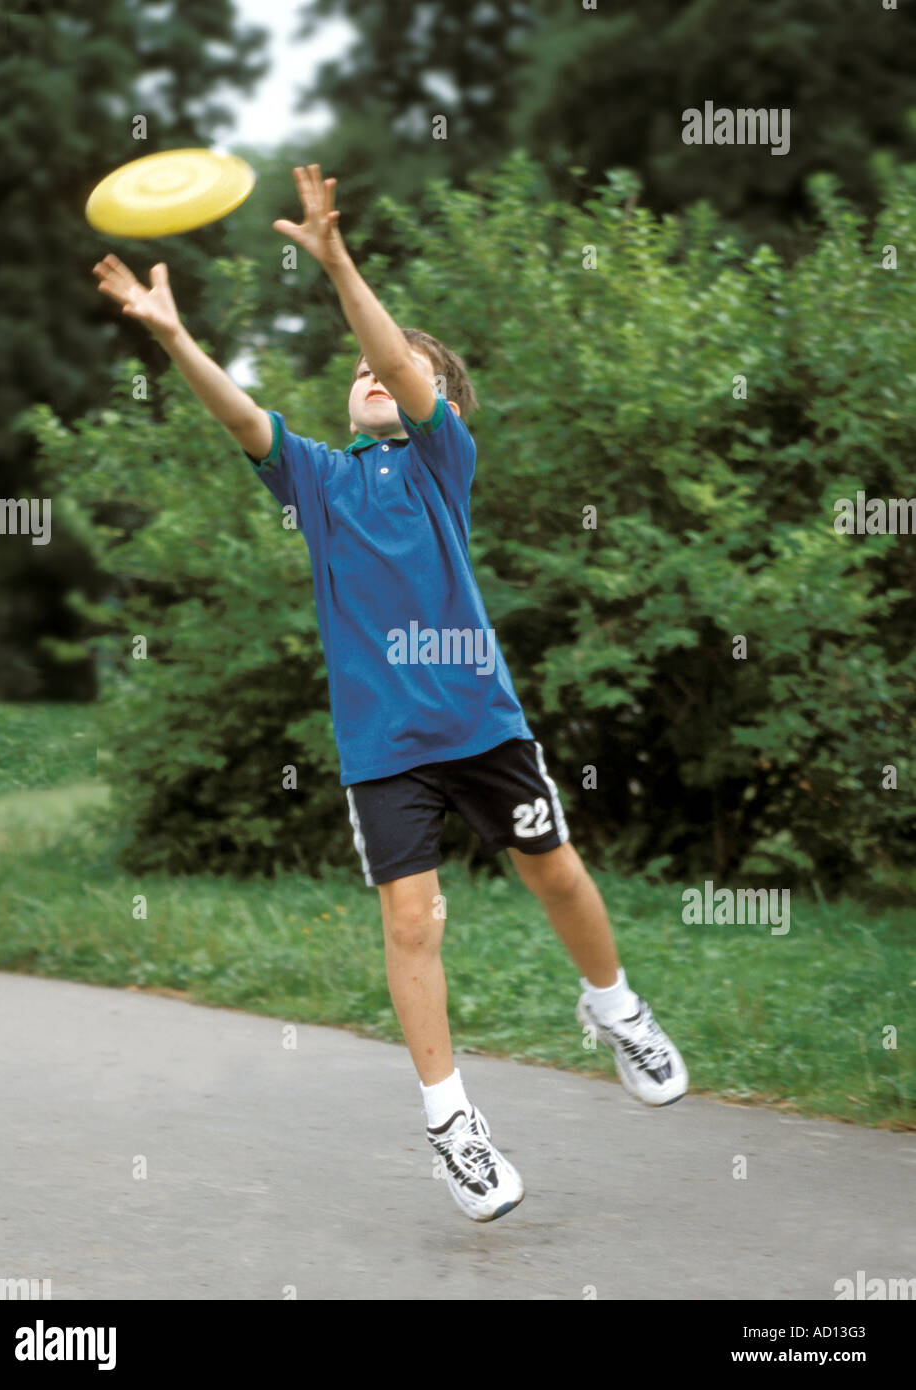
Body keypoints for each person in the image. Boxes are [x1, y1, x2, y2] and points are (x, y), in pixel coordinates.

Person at [92, 164, 687, 1224]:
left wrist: (338, 262)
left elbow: (397, 362)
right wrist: (175, 339)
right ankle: (451, 1128)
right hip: (383, 746)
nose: (377, 374)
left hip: (482, 723)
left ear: (433, 400)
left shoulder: (437, 463)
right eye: (368, 369)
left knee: (553, 870)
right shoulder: (319, 481)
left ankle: (615, 1006)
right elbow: (242, 421)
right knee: (412, 922)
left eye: (400, 367)